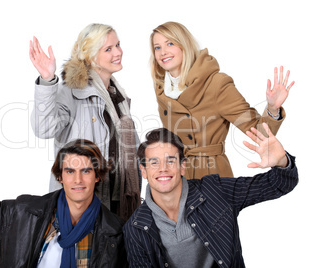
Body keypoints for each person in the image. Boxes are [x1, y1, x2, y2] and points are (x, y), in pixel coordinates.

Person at [0, 115, 128, 268]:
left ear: (97, 176)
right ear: (59, 176)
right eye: (70, 171)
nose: (77, 180)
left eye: (86, 171)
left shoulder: (115, 232)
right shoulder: (22, 213)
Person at [123, 125, 298, 267]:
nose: (163, 168)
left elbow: (277, 185)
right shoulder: (135, 228)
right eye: (154, 162)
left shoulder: (216, 190)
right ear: (143, 171)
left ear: (183, 166)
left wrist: (282, 162)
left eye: (170, 160)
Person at [149, 21, 295, 180]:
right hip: (175, 177)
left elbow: (257, 131)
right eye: (157, 47)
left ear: (184, 45)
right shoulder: (162, 88)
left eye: (170, 43)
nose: (163, 52)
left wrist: (272, 109)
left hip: (210, 176)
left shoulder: (216, 84)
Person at [29, 23, 140, 220]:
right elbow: (44, 128)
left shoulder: (117, 96)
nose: (118, 52)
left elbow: (131, 148)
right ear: (90, 56)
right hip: (83, 202)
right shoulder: (71, 91)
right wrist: (47, 80)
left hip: (118, 201)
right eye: (108, 49)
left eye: (118, 45)